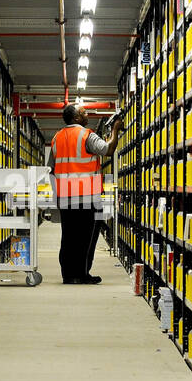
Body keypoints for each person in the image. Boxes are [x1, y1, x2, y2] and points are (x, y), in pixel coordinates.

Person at [44, 103, 121, 284]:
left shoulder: (57, 138)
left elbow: (51, 169)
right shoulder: (86, 135)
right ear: (77, 118)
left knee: (69, 236)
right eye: (84, 112)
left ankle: (68, 275)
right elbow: (108, 149)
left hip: (65, 197)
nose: (87, 115)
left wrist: (57, 195)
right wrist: (115, 130)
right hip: (87, 196)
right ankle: (82, 274)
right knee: (86, 237)